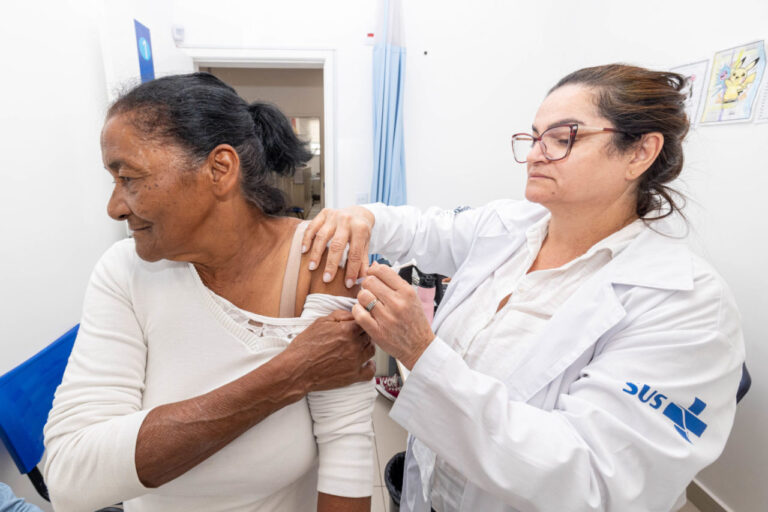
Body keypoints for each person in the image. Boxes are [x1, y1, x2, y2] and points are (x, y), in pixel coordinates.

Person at [302, 64, 745, 511]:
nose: (535, 154)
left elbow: (593, 480)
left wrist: (419, 351)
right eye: (534, 138)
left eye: (562, 138)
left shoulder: (685, 302)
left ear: (639, 153)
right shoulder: (512, 226)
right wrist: (364, 218)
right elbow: (425, 229)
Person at [43, 73, 376, 512]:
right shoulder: (123, 273)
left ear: (219, 169)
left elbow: (346, 454)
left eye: (129, 178)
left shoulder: (318, 260)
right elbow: (70, 478)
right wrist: (291, 372)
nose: (115, 206)